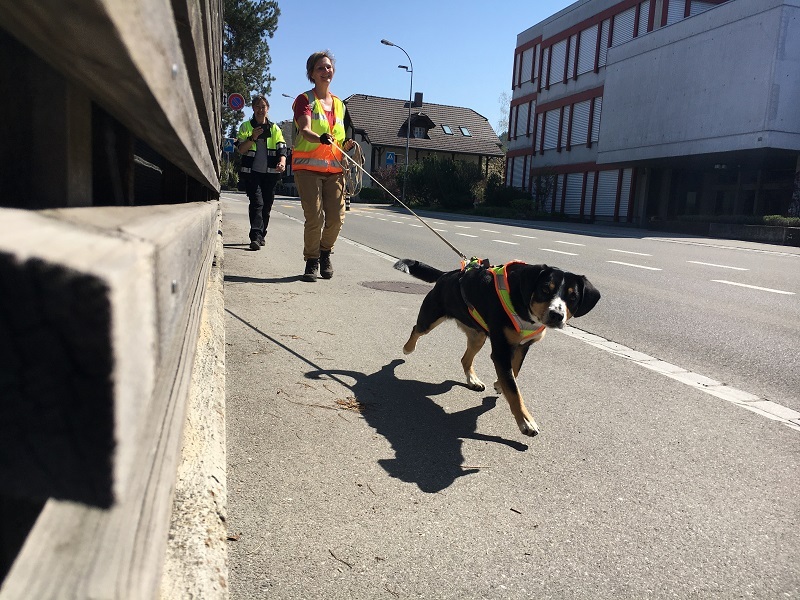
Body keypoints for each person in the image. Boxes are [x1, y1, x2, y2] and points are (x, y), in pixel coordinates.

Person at [292, 50, 354, 282]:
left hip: (335, 169)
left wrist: (346, 146)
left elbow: (340, 136)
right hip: (307, 168)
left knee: (337, 218)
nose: (326, 71)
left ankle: (325, 252)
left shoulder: (340, 105)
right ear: (312, 73)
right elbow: (305, 130)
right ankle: (312, 260)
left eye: (328, 67)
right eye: (321, 68)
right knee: (315, 218)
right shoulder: (304, 100)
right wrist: (320, 138)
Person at [236, 95, 287, 251]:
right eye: (257, 106)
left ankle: (261, 235)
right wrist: (253, 137)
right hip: (252, 173)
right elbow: (241, 149)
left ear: (268, 109)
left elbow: (282, 149)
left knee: (267, 206)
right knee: (257, 203)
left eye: (263, 107)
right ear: (253, 108)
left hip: (270, 174)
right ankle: (255, 236)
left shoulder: (274, 128)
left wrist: (282, 162)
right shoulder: (246, 126)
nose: (260, 110)